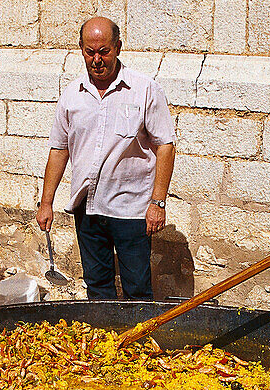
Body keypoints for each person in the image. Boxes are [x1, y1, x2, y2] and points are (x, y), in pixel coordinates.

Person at [36, 16, 175, 300]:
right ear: (81, 49)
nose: (97, 59)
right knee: (97, 287)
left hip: (131, 208)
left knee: (137, 289)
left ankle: (139, 343)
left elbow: (166, 145)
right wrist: (46, 202)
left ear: (118, 47)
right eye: (90, 52)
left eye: (104, 51)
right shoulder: (72, 94)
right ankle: (104, 344)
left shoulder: (144, 89)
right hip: (88, 207)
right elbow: (59, 148)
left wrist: (158, 202)